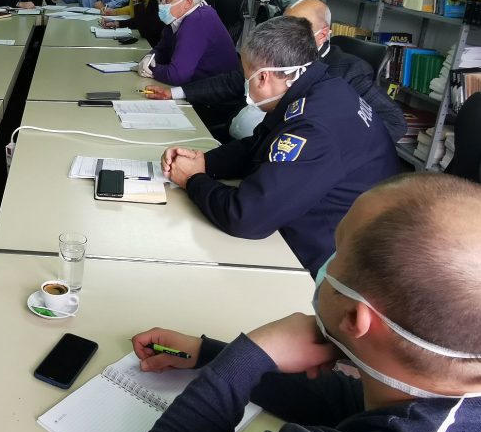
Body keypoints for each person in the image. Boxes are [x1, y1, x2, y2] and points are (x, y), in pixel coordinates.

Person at [123, 172, 481, 432]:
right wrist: (210, 354)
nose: (327, 262)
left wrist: (253, 353)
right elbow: (356, 405)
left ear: (355, 318)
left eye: (338, 251)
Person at [161, 16, 400, 276]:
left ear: (263, 77)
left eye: (247, 77)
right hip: (308, 218)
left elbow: (246, 217)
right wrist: (206, 162)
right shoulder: (322, 86)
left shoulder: (314, 128)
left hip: (327, 258)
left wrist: (193, 180)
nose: (245, 84)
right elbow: (261, 143)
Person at [142, 0, 407, 143]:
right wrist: (176, 93)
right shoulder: (278, 54)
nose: (287, 33)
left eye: (299, 27)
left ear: (322, 34)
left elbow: (394, 124)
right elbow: (232, 81)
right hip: (241, 138)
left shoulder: (349, 70)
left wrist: (317, 138)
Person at [136, 0, 240, 86]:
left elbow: (176, 76)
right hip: (195, 86)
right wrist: (150, 57)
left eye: (166, 0)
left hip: (213, 92)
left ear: (188, 2)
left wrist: (150, 69)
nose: (161, 5)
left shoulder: (198, 20)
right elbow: (162, 48)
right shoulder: (178, 17)